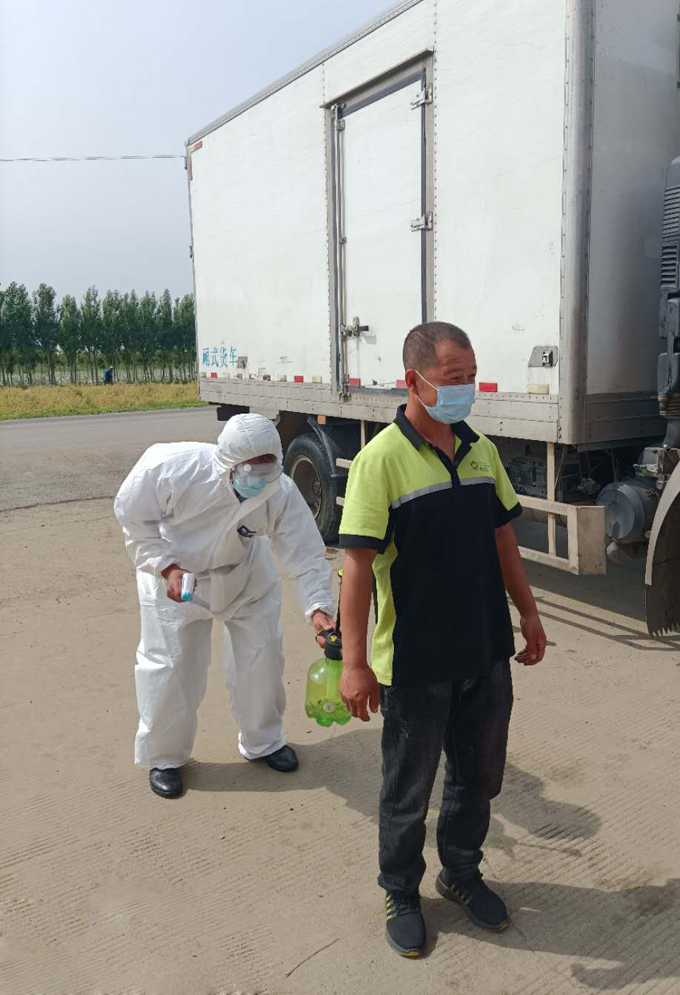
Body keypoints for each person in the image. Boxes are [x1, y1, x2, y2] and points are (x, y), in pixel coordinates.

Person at [337, 322, 547, 958]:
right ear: (414, 381)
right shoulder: (380, 460)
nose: (466, 389)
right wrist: (354, 663)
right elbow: (356, 567)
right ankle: (401, 890)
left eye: (472, 377)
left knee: (478, 777)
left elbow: (504, 540)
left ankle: (461, 872)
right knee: (409, 786)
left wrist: (529, 614)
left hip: (484, 647)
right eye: (454, 379)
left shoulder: (481, 451)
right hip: (415, 659)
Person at [114, 413, 336, 799]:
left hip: (246, 576)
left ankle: (264, 742)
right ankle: (165, 757)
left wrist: (318, 607)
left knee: (262, 662)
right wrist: (164, 566)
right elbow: (133, 520)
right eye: (250, 471)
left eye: (268, 469)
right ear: (227, 463)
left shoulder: (278, 490)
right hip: (178, 579)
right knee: (171, 668)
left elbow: (304, 551)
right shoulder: (170, 468)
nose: (259, 480)